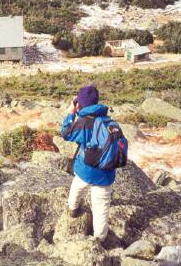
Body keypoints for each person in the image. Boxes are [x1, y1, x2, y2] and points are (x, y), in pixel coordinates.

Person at [60, 85, 115, 243]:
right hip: (106, 173)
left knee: (77, 189)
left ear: (80, 104)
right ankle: (99, 239)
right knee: (101, 207)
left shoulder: (83, 122)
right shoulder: (108, 121)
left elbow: (65, 133)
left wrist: (71, 114)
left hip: (86, 170)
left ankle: (73, 209)